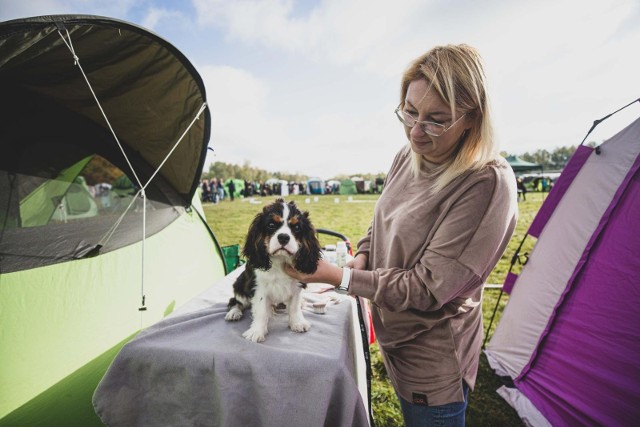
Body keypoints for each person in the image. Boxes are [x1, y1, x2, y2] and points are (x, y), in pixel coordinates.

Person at [285, 44, 518, 426]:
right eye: (410, 111)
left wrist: (339, 276)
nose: (415, 130)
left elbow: (428, 288)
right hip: (396, 342)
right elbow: (381, 221)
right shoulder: (408, 154)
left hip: (433, 361)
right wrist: (362, 254)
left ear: (472, 119)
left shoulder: (485, 183)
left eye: (436, 119)